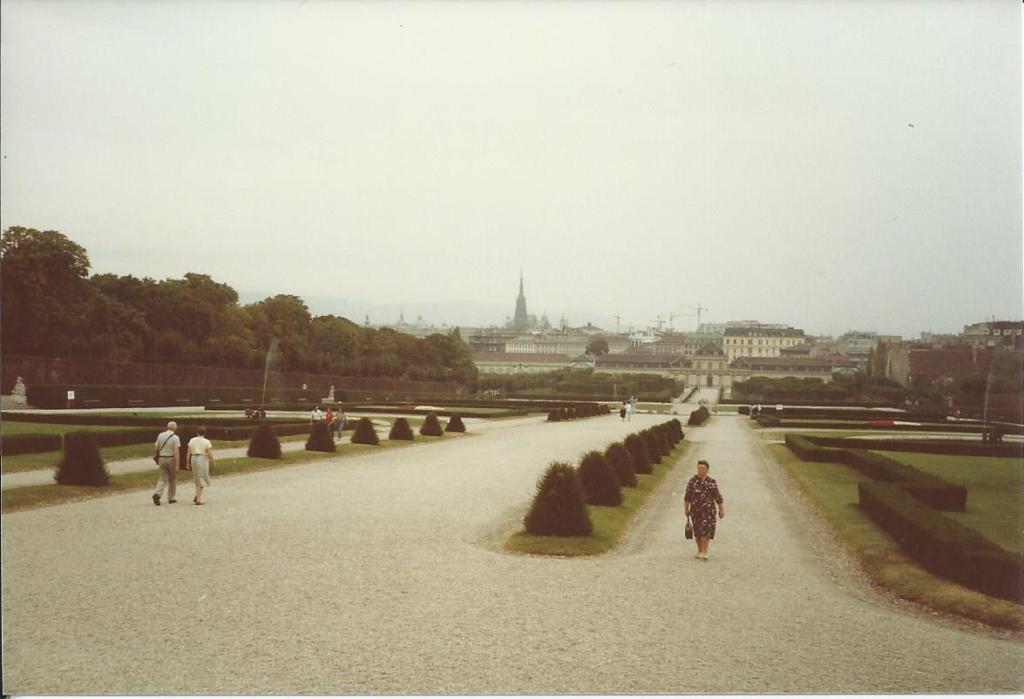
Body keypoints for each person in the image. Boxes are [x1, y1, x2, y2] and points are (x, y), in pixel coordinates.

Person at [683, 459, 725, 561]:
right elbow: (687, 497)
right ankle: (700, 550)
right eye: (699, 468)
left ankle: (705, 552)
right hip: (695, 511)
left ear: (707, 469)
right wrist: (686, 509)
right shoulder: (692, 481)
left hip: (708, 511)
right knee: (697, 532)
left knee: (706, 532)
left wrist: (721, 509)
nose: (700, 470)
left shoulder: (711, 482)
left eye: (703, 468)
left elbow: (718, 497)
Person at [152, 421, 181, 506]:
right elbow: (176, 452)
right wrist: (177, 465)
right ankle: (171, 497)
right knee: (172, 479)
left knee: (162, 478)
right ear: (175, 428)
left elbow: (156, 448)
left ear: (167, 427)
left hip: (161, 458)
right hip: (171, 458)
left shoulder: (160, 435)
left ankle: (157, 493)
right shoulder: (175, 437)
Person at [187, 426, 215, 505]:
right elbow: (208, 451)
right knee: (202, 477)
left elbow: (188, 452)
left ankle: (197, 494)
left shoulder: (192, 440)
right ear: (205, 433)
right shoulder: (206, 441)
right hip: (202, 458)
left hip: (193, 458)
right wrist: (212, 460)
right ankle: (199, 499)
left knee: (196, 477)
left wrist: (187, 462)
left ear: (197, 433)